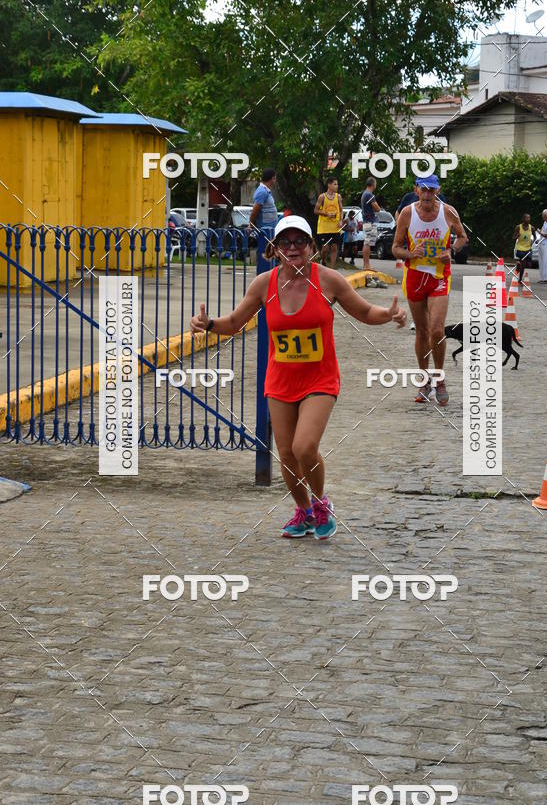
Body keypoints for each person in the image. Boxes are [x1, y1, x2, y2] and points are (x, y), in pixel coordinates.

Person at [190, 215, 408, 539]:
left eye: (299, 241)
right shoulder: (264, 284)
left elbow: (363, 312)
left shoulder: (329, 280)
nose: (292, 248)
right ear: (275, 248)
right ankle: (303, 513)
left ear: (311, 246)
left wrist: (388, 314)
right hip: (280, 381)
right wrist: (208, 324)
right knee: (288, 455)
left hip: (320, 380)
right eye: (285, 242)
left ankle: (322, 505)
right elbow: (235, 322)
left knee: (305, 447)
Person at [392, 175, 468, 406]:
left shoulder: (448, 212)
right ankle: (424, 381)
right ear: (416, 190)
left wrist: (452, 251)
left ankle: (440, 378)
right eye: (423, 190)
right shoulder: (407, 213)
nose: (427, 194)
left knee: (437, 330)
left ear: (438, 191)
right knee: (422, 332)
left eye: (431, 190)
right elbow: (395, 248)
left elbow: (463, 237)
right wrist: (410, 254)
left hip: (439, 277)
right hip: (415, 277)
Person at [315, 176, 343, 268]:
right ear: (329, 185)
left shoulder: (338, 197)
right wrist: (326, 214)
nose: (337, 186)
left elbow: (341, 210)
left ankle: (332, 268)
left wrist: (341, 220)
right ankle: (322, 260)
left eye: (337, 184)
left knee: (334, 247)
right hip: (324, 227)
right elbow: (315, 211)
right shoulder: (322, 197)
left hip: (335, 227)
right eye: (335, 184)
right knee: (325, 248)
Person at [250, 168, 278, 239]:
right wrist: (251, 224)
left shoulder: (266, 190)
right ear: (272, 178)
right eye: (275, 178)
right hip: (265, 229)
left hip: (270, 229)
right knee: (265, 249)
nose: (275, 180)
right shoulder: (262, 192)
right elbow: (255, 211)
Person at [361, 177, 380, 271]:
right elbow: (376, 208)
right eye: (375, 183)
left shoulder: (365, 193)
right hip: (370, 220)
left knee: (367, 242)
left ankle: (366, 265)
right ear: (373, 184)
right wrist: (378, 209)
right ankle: (367, 265)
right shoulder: (370, 195)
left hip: (366, 220)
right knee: (368, 243)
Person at [513, 213, 536, 283]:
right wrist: (517, 235)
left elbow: (535, 236)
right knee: (523, 264)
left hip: (528, 248)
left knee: (529, 264)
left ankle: (518, 266)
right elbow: (513, 237)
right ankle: (519, 279)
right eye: (526, 218)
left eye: (529, 218)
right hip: (520, 248)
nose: (528, 219)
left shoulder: (531, 228)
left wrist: (533, 240)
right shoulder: (518, 227)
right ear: (523, 219)